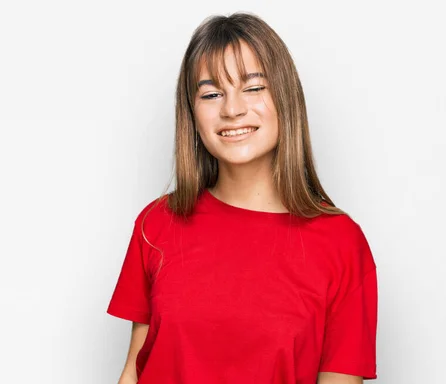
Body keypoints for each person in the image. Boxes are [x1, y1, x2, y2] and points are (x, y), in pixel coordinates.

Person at [106, 12, 378, 384]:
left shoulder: (342, 243)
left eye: (252, 87)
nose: (232, 109)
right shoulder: (156, 224)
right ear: (192, 113)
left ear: (285, 97)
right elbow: (133, 373)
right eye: (212, 93)